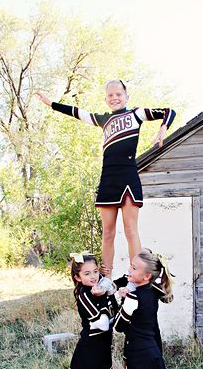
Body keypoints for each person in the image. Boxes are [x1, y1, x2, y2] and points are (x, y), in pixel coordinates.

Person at [36, 81, 176, 275]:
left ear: (127, 96)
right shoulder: (103, 119)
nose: (114, 98)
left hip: (128, 176)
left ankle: (136, 274)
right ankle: (106, 275)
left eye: (118, 94)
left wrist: (162, 129)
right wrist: (51, 103)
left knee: (130, 230)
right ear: (106, 99)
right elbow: (77, 112)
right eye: (110, 95)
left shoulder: (136, 114)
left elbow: (169, 112)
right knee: (108, 233)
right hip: (108, 178)